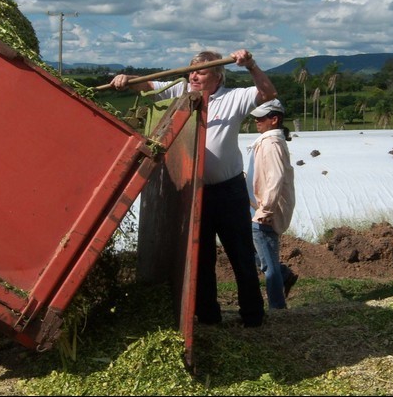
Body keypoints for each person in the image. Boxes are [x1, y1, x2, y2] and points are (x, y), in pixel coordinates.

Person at [109, 49, 277, 327]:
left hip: (229, 191)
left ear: (218, 76)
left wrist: (251, 65)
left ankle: (253, 316)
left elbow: (269, 93)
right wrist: (126, 79)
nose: (194, 76)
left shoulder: (233, 97)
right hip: (195, 192)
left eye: (201, 71)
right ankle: (208, 316)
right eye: (191, 71)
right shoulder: (181, 91)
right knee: (202, 258)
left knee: (241, 255)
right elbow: (148, 84)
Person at [246, 98, 297, 310]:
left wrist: (265, 210)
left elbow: (275, 178)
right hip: (255, 209)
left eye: (262, 117)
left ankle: (277, 308)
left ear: (274, 119)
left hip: (264, 212)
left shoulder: (271, 144)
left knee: (268, 265)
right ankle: (285, 276)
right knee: (254, 254)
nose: (257, 120)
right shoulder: (266, 142)